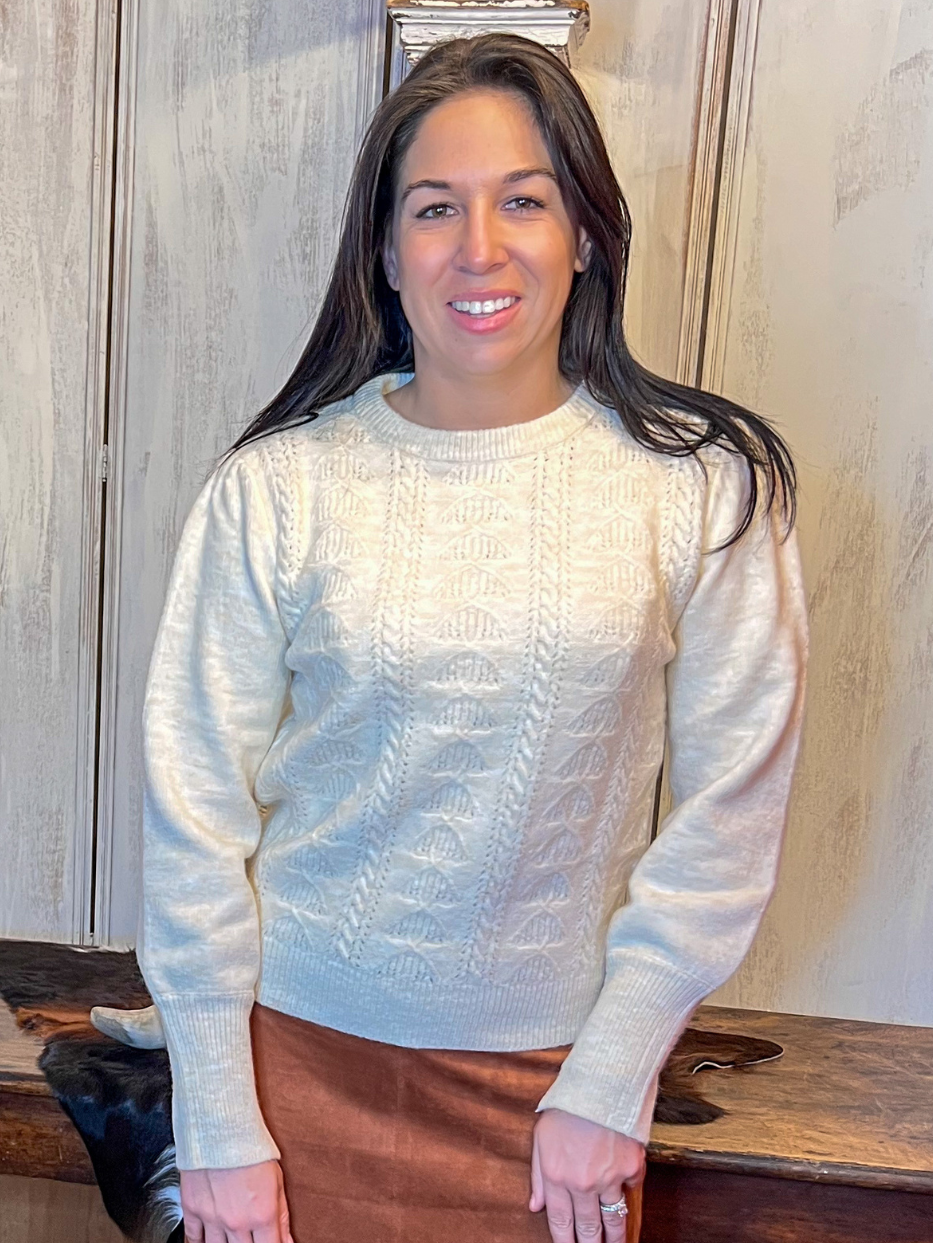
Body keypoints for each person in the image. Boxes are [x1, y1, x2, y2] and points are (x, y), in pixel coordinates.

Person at [130, 31, 807, 1243]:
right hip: (288, 1074)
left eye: (526, 202)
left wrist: (612, 1074)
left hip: (555, 1093)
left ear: (587, 233)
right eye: (436, 209)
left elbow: (729, 815)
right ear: (387, 252)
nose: (480, 249)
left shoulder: (703, 490)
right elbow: (195, 812)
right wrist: (218, 1115)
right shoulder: (277, 490)